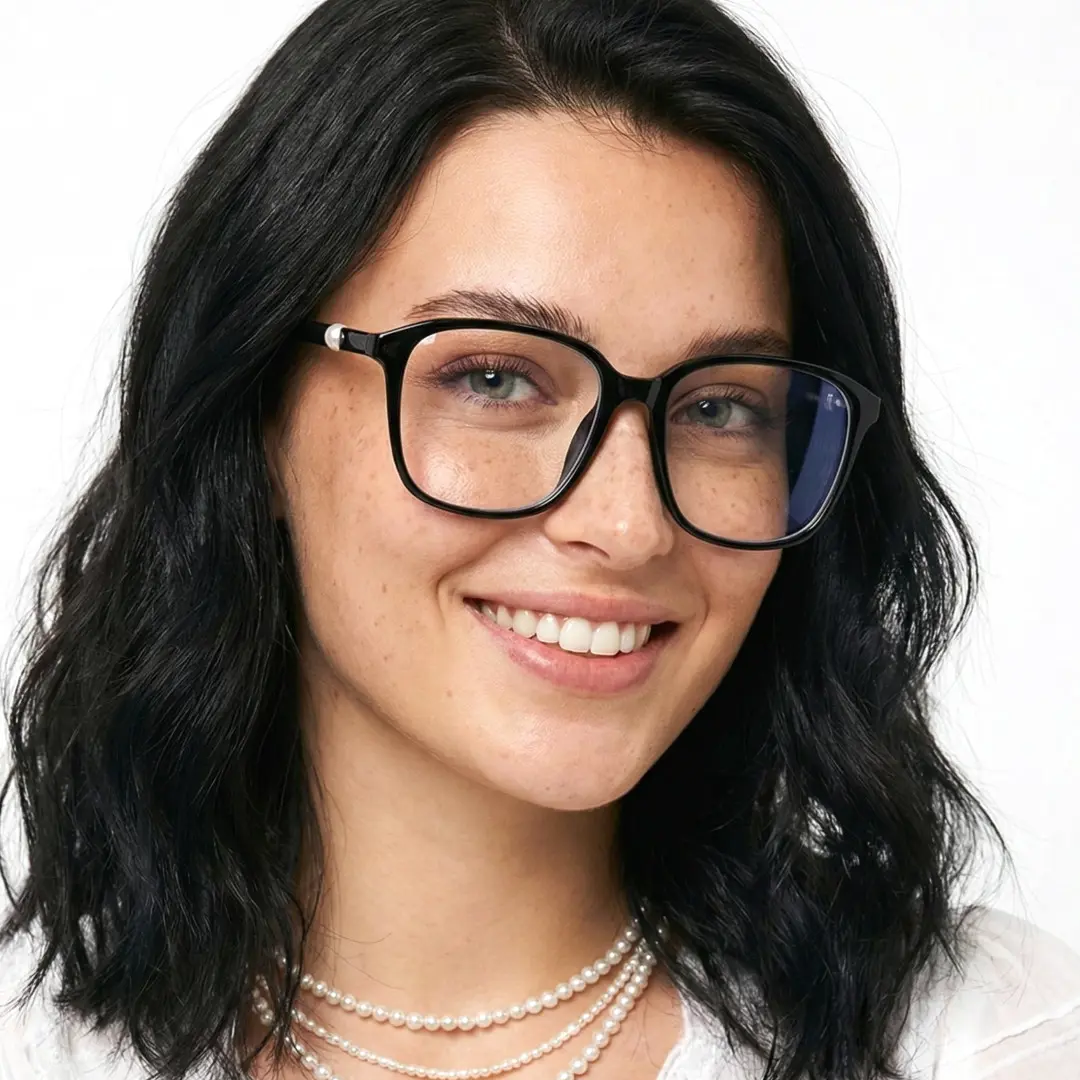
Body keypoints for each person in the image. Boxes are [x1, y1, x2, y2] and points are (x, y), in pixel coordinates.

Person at [2, 1, 1078, 1077]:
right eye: (494, 377)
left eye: (720, 408)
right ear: (254, 414)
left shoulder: (984, 1041)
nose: (627, 524)